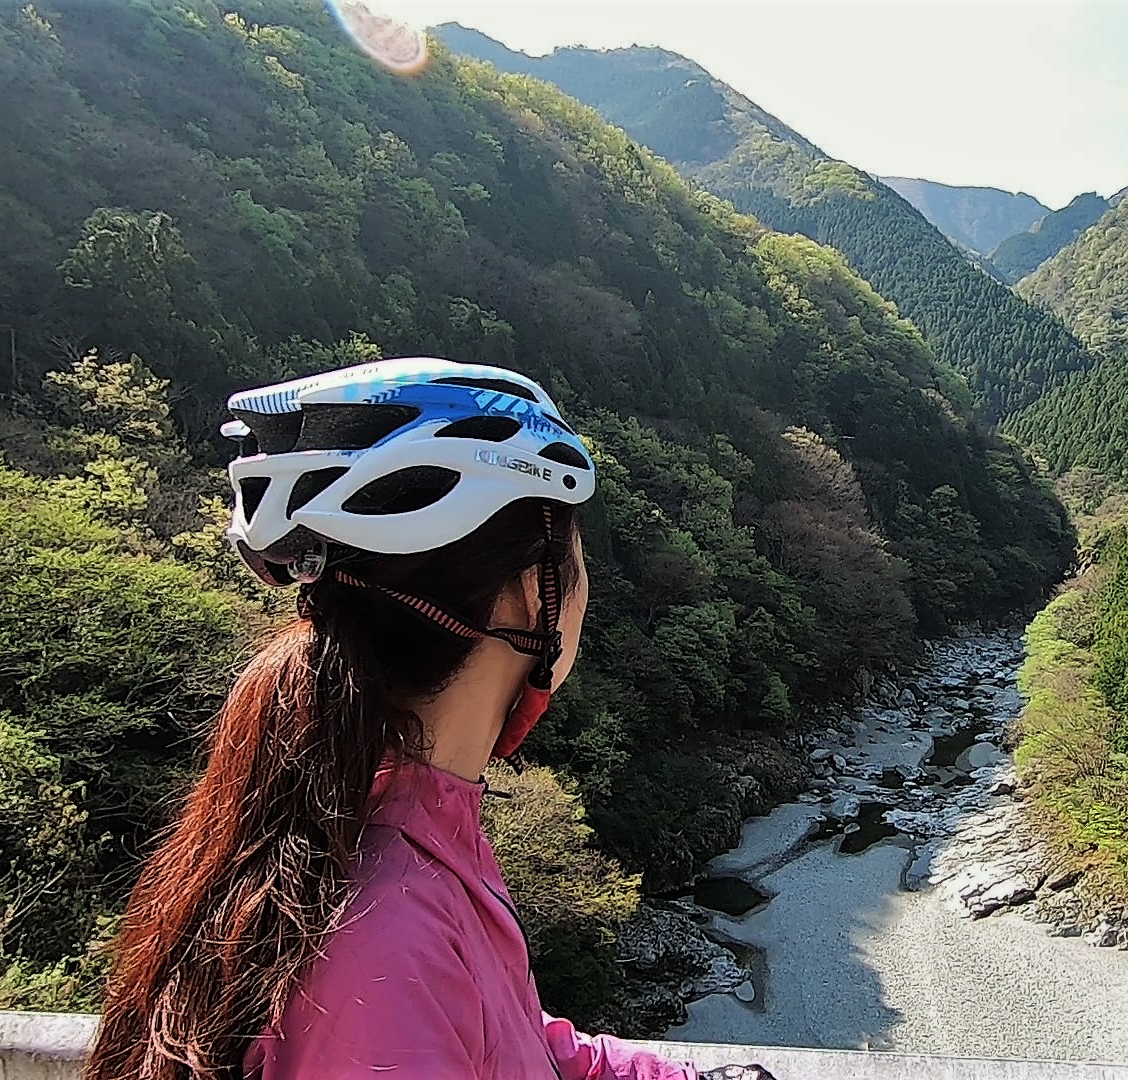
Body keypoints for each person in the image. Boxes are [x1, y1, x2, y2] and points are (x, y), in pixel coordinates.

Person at [85, 358, 773, 1080]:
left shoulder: (398, 834)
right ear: (524, 597)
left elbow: (512, 1040)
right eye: (575, 552)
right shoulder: (384, 938)